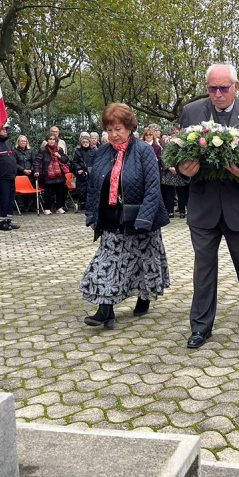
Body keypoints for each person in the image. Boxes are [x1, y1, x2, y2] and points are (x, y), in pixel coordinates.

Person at [178, 63, 239, 349]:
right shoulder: (191, 112)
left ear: (236, 86)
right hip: (203, 205)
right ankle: (200, 326)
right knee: (203, 269)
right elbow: (179, 155)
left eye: (223, 88)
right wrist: (183, 170)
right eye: (212, 88)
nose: (217, 94)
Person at [79, 103, 169, 328]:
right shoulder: (102, 152)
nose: (113, 135)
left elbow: (152, 187)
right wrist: (91, 215)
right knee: (106, 263)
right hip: (111, 218)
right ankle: (105, 311)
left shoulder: (143, 150)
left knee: (144, 262)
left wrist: (144, 218)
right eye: (109, 130)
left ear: (129, 127)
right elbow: (94, 186)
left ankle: (144, 296)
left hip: (139, 218)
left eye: (118, 129)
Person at [0, 124, 20, 230]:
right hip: (1, 177)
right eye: (2, 129)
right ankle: (1, 222)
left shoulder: (7, 143)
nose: (5, 131)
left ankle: (8, 220)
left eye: (6, 129)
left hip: (11, 176)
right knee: (2, 200)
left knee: (10, 200)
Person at [33, 132, 69, 215]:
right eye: (50, 139)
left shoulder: (59, 149)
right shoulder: (43, 150)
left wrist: (59, 156)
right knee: (48, 192)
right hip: (48, 174)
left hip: (59, 174)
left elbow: (66, 159)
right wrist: (36, 171)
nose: (52, 141)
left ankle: (59, 207)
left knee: (60, 191)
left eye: (53, 139)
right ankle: (47, 208)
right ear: (47, 141)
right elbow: (37, 162)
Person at [71, 134, 98, 211]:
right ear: (81, 143)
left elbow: (97, 161)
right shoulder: (77, 151)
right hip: (81, 173)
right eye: (84, 142)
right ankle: (81, 204)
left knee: (91, 189)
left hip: (92, 172)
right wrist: (78, 169)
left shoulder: (94, 150)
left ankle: (91, 204)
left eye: (87, 142)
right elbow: (75, 162)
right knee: (81, 189)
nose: (85, 143)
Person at [14, 135, 36, 212]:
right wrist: (23, 170)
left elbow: (35, 162)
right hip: (20, 174)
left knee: (31, 191)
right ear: (18, 142)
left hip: (30, 174)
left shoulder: (30, 151)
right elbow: (14, 163)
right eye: (21, 141)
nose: (23, 142)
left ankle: (30, 206)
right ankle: (21, 207)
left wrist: (31, 170)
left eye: (24, 141)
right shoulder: (15, 151)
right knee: (20, 193)